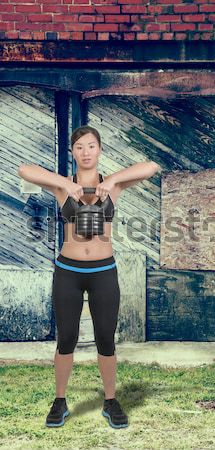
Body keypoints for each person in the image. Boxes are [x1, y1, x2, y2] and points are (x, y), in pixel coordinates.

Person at [17, 125, 161, 429]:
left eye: (91, 146)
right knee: (66, 338)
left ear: (100, 150)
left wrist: (113, 179)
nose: (85, 152)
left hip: (102, 272)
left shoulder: (113, 188)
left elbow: (151, 167)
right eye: (79, 147)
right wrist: (63, 184)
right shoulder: (62, 187)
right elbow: (24, 169)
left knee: (106, 339)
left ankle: (111, 401)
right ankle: (60, 401)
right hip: (68, 271)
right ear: (72, 152)